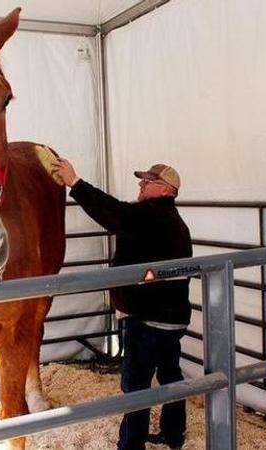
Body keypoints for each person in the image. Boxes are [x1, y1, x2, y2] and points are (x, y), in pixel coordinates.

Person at [52, 158, 192, 450]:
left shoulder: (152, 216)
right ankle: (173, 433)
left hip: (149, 318)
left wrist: (75, 184)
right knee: (170, 375)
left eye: (148, 181)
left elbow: (114, 213)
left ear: (166, 190)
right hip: (173, 317)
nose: (141, 184)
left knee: (136, 384)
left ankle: (130, 445)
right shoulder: (174, 222)